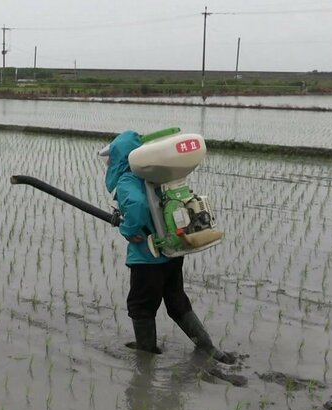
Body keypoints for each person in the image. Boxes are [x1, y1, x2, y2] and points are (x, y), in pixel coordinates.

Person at [99, 130, 236, 365]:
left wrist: (129, 231)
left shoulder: (128, 179)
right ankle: (209, 348)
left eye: (112, 158)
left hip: (147, 258)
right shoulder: (156, 173)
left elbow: (138, 205)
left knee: (141, 306)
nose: (109, 163)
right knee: (176, 300)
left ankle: (146, 355)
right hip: (172, 252)